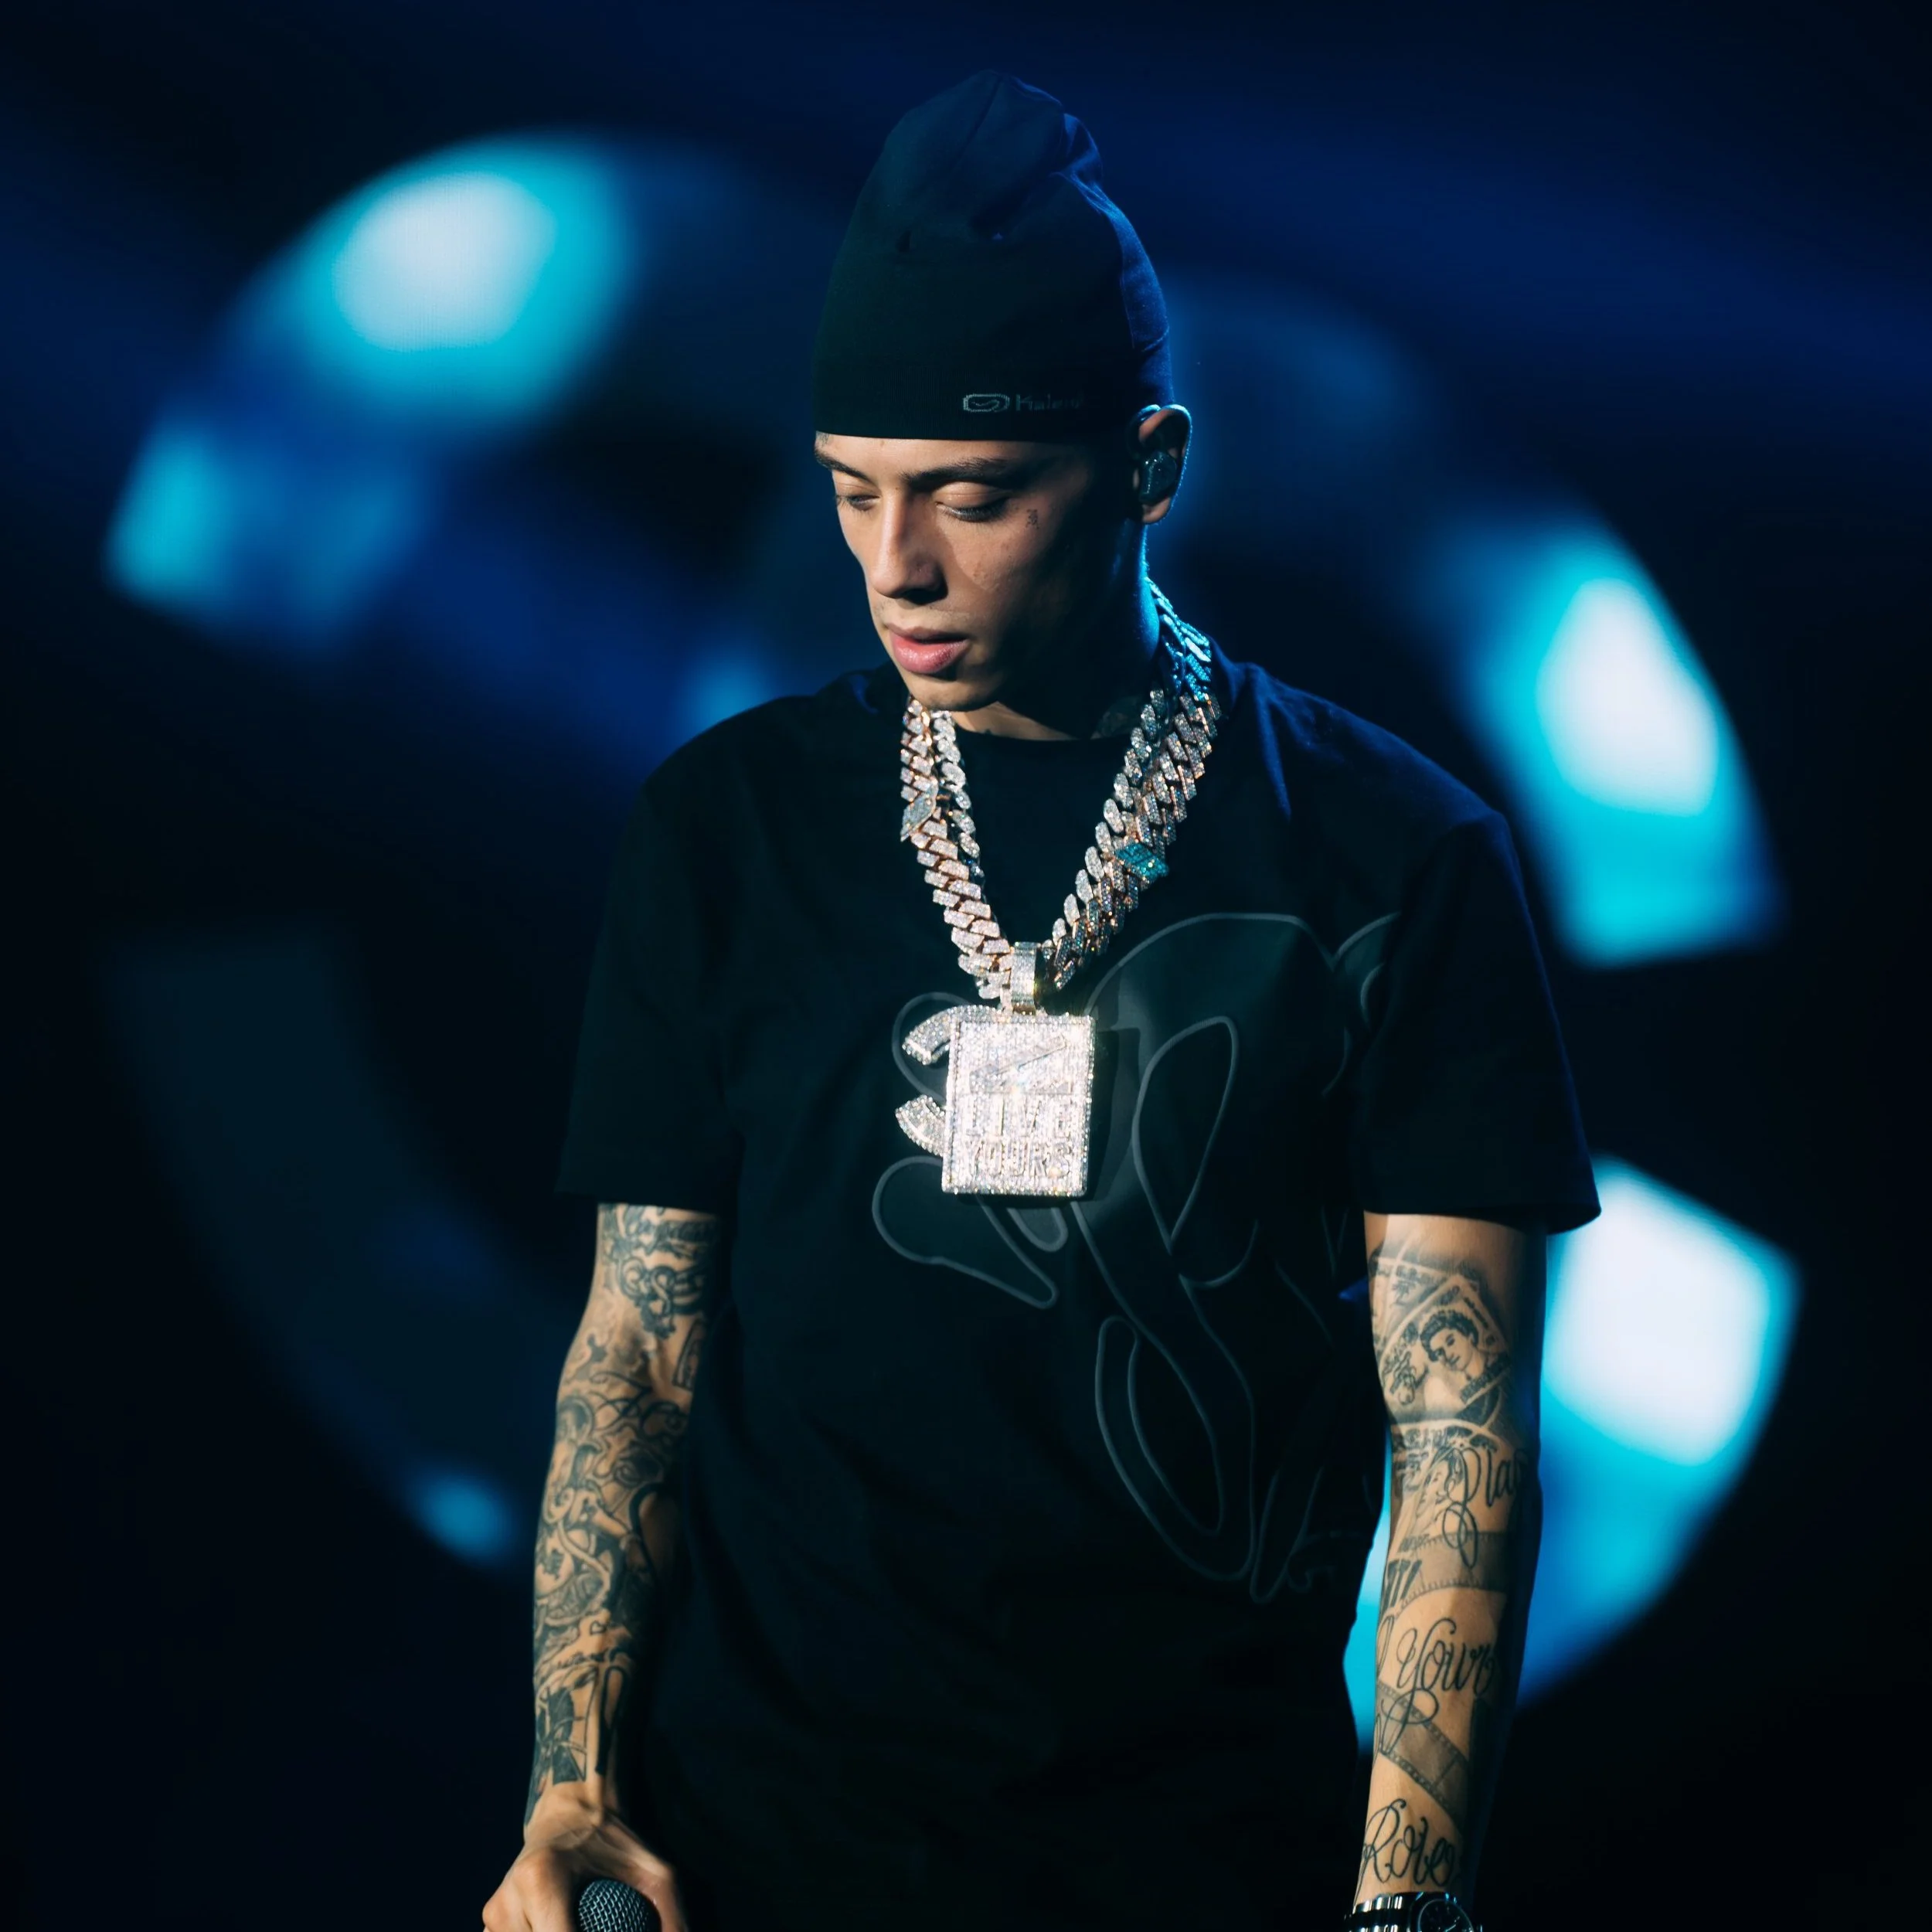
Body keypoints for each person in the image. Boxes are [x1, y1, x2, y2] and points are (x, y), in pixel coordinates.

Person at [481, 68, 1598, 1932]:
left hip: (1189, 1859)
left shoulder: (1395, 857)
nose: (895, 570)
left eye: (972, 498)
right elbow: (639, 1347)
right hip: (742, 1854)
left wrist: (1407, 1898)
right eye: (852, 494)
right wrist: (568, 1791)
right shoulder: (722, 830)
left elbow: (1461, 1421)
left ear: (1147, 468)